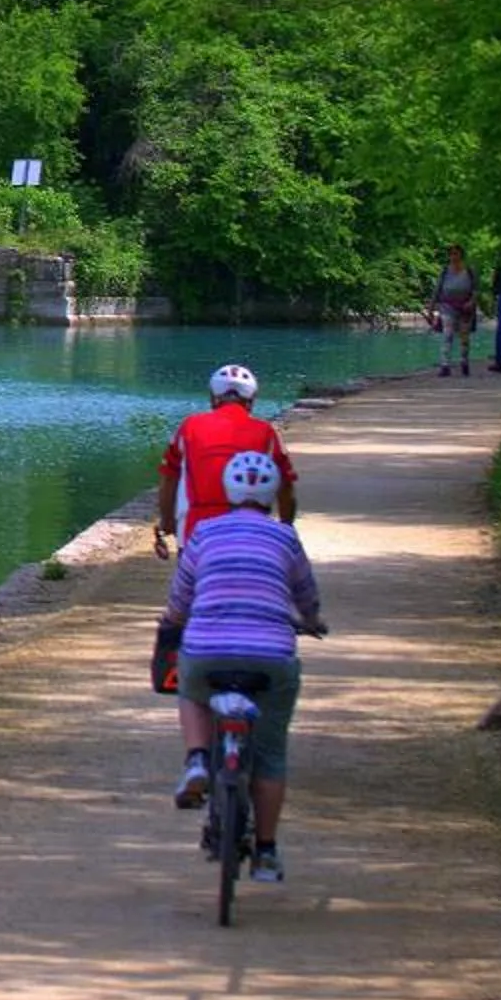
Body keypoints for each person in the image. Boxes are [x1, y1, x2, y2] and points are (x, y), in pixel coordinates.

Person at [165, 449, 327, 883]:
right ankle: (267, 851)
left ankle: (197, 759)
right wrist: (312, 621)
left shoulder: (204, 533)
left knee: (191, 689)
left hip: (208, 650)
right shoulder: (285, 538)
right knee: (270, 756)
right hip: (271, 655)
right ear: (272, 495)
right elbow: (306, 594)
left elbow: (180, 598)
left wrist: (173, 621)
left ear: (228, 491)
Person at [154, 363, 296, 558]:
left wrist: (167, 521)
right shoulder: (267, 432)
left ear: (213, 397)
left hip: (195, 532)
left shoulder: (188, 427)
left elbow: (169, 479)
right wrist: (286, 526)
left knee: (190, 576)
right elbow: (285, 484)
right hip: (250, 534)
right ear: (251, 399)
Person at [429, 243, 479, 376]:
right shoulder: (445, 271)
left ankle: (464, 361)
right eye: (451, 254)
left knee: (464, 336)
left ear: (461, 255)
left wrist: (471, 302)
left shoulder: (469, 271)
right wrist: (431, 308)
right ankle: (445, 365)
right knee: (447, 334)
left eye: (456, 253)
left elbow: (475, 290)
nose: (453, 256)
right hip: (447, 306)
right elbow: (437, 289)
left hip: (465, 307)